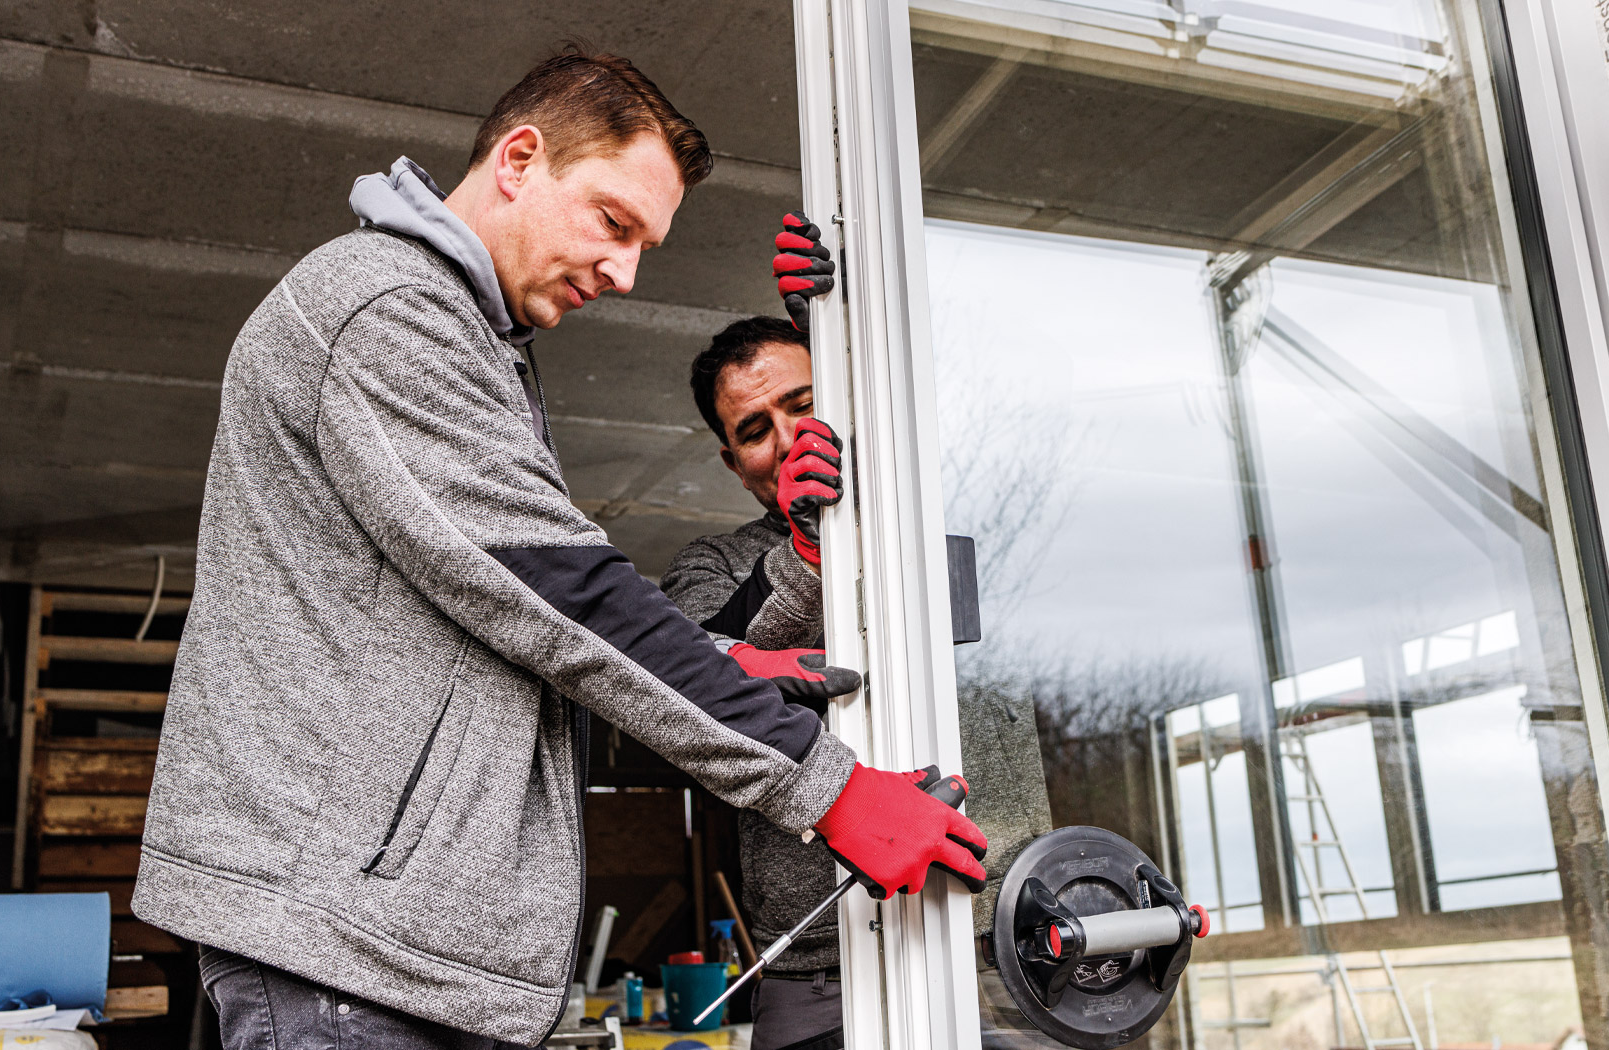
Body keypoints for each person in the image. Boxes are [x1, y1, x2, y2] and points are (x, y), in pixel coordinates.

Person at [131, 48, 987, 1050]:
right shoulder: (389, 309)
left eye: (644, 246)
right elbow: (559, 591)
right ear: (519, 160)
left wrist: (841, 331)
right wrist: (828, 785)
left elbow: (492, 616)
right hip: (346, 953)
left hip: (390, 949)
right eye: (613, 223)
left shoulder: (470, 339)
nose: (624, 273)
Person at [663, 214, 1053, 1050]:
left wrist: (846, 328)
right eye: (754, 429)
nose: (786, 437)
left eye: (803, 403)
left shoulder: (936, 512)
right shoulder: (709, 564)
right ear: (732, 463)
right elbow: (688, 680)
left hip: (997, 931)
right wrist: (809, 551)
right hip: (820, 962)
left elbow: (975, 404)